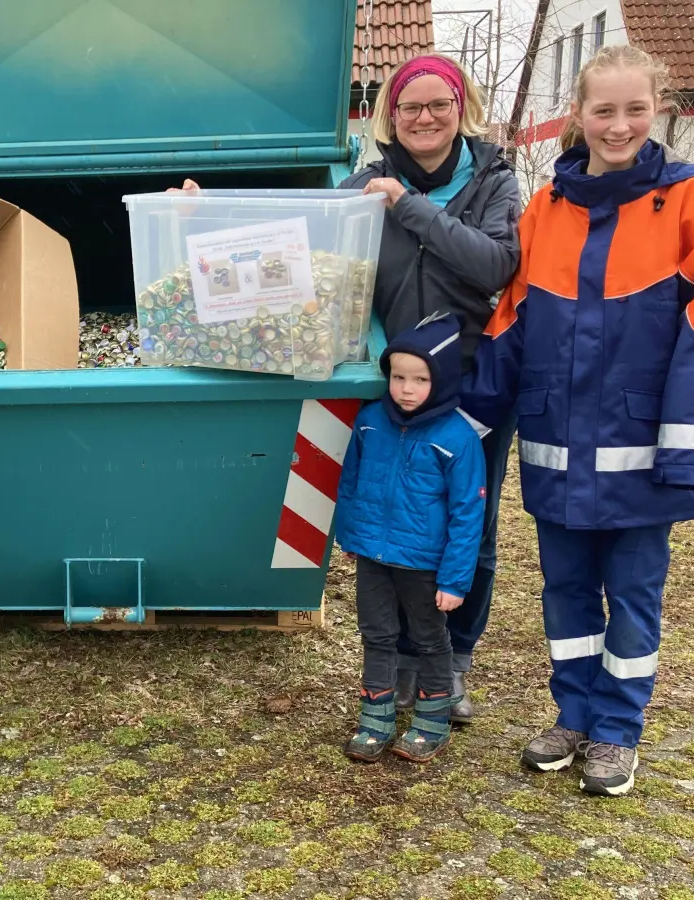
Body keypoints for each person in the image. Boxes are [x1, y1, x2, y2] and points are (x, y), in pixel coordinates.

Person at [176, 54, 520, 724]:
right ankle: (395, 667)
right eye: (409, 107)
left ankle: (451, 665)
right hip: (397, 386)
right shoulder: (369, 181)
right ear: (392, 115)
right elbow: (294, 229)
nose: (423, 118)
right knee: (397, 522)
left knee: (467, 528)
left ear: (460, 108)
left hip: (476, 383)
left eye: (437, 105)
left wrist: (408, 208)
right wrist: (203, 213)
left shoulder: (494, 183)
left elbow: (496, 265)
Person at [461, 45, 694, 797]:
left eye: (634, 109)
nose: (618, 126)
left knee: (635, 595)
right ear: (578, 118)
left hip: (643, 452)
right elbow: (511, 328)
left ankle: (618, 729)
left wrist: (686, 452)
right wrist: (467, 425)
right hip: (557, 448)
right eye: (603, 110)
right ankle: (573, 715)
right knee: (566, 594)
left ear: (660, 110)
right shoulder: (547, 208)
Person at [332, 313, 486, 763]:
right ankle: (375, 718)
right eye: (398, 377)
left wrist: (455, 580)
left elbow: (467, 514)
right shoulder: (369, 422)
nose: (406, 388)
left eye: (420, 379)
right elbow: (352, 481)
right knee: (376, 634)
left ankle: (433, 720)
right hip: (374, 557)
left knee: (429, 639)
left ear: (440, 381)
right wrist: (353, 535)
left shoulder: (458, 438)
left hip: (423, 562)